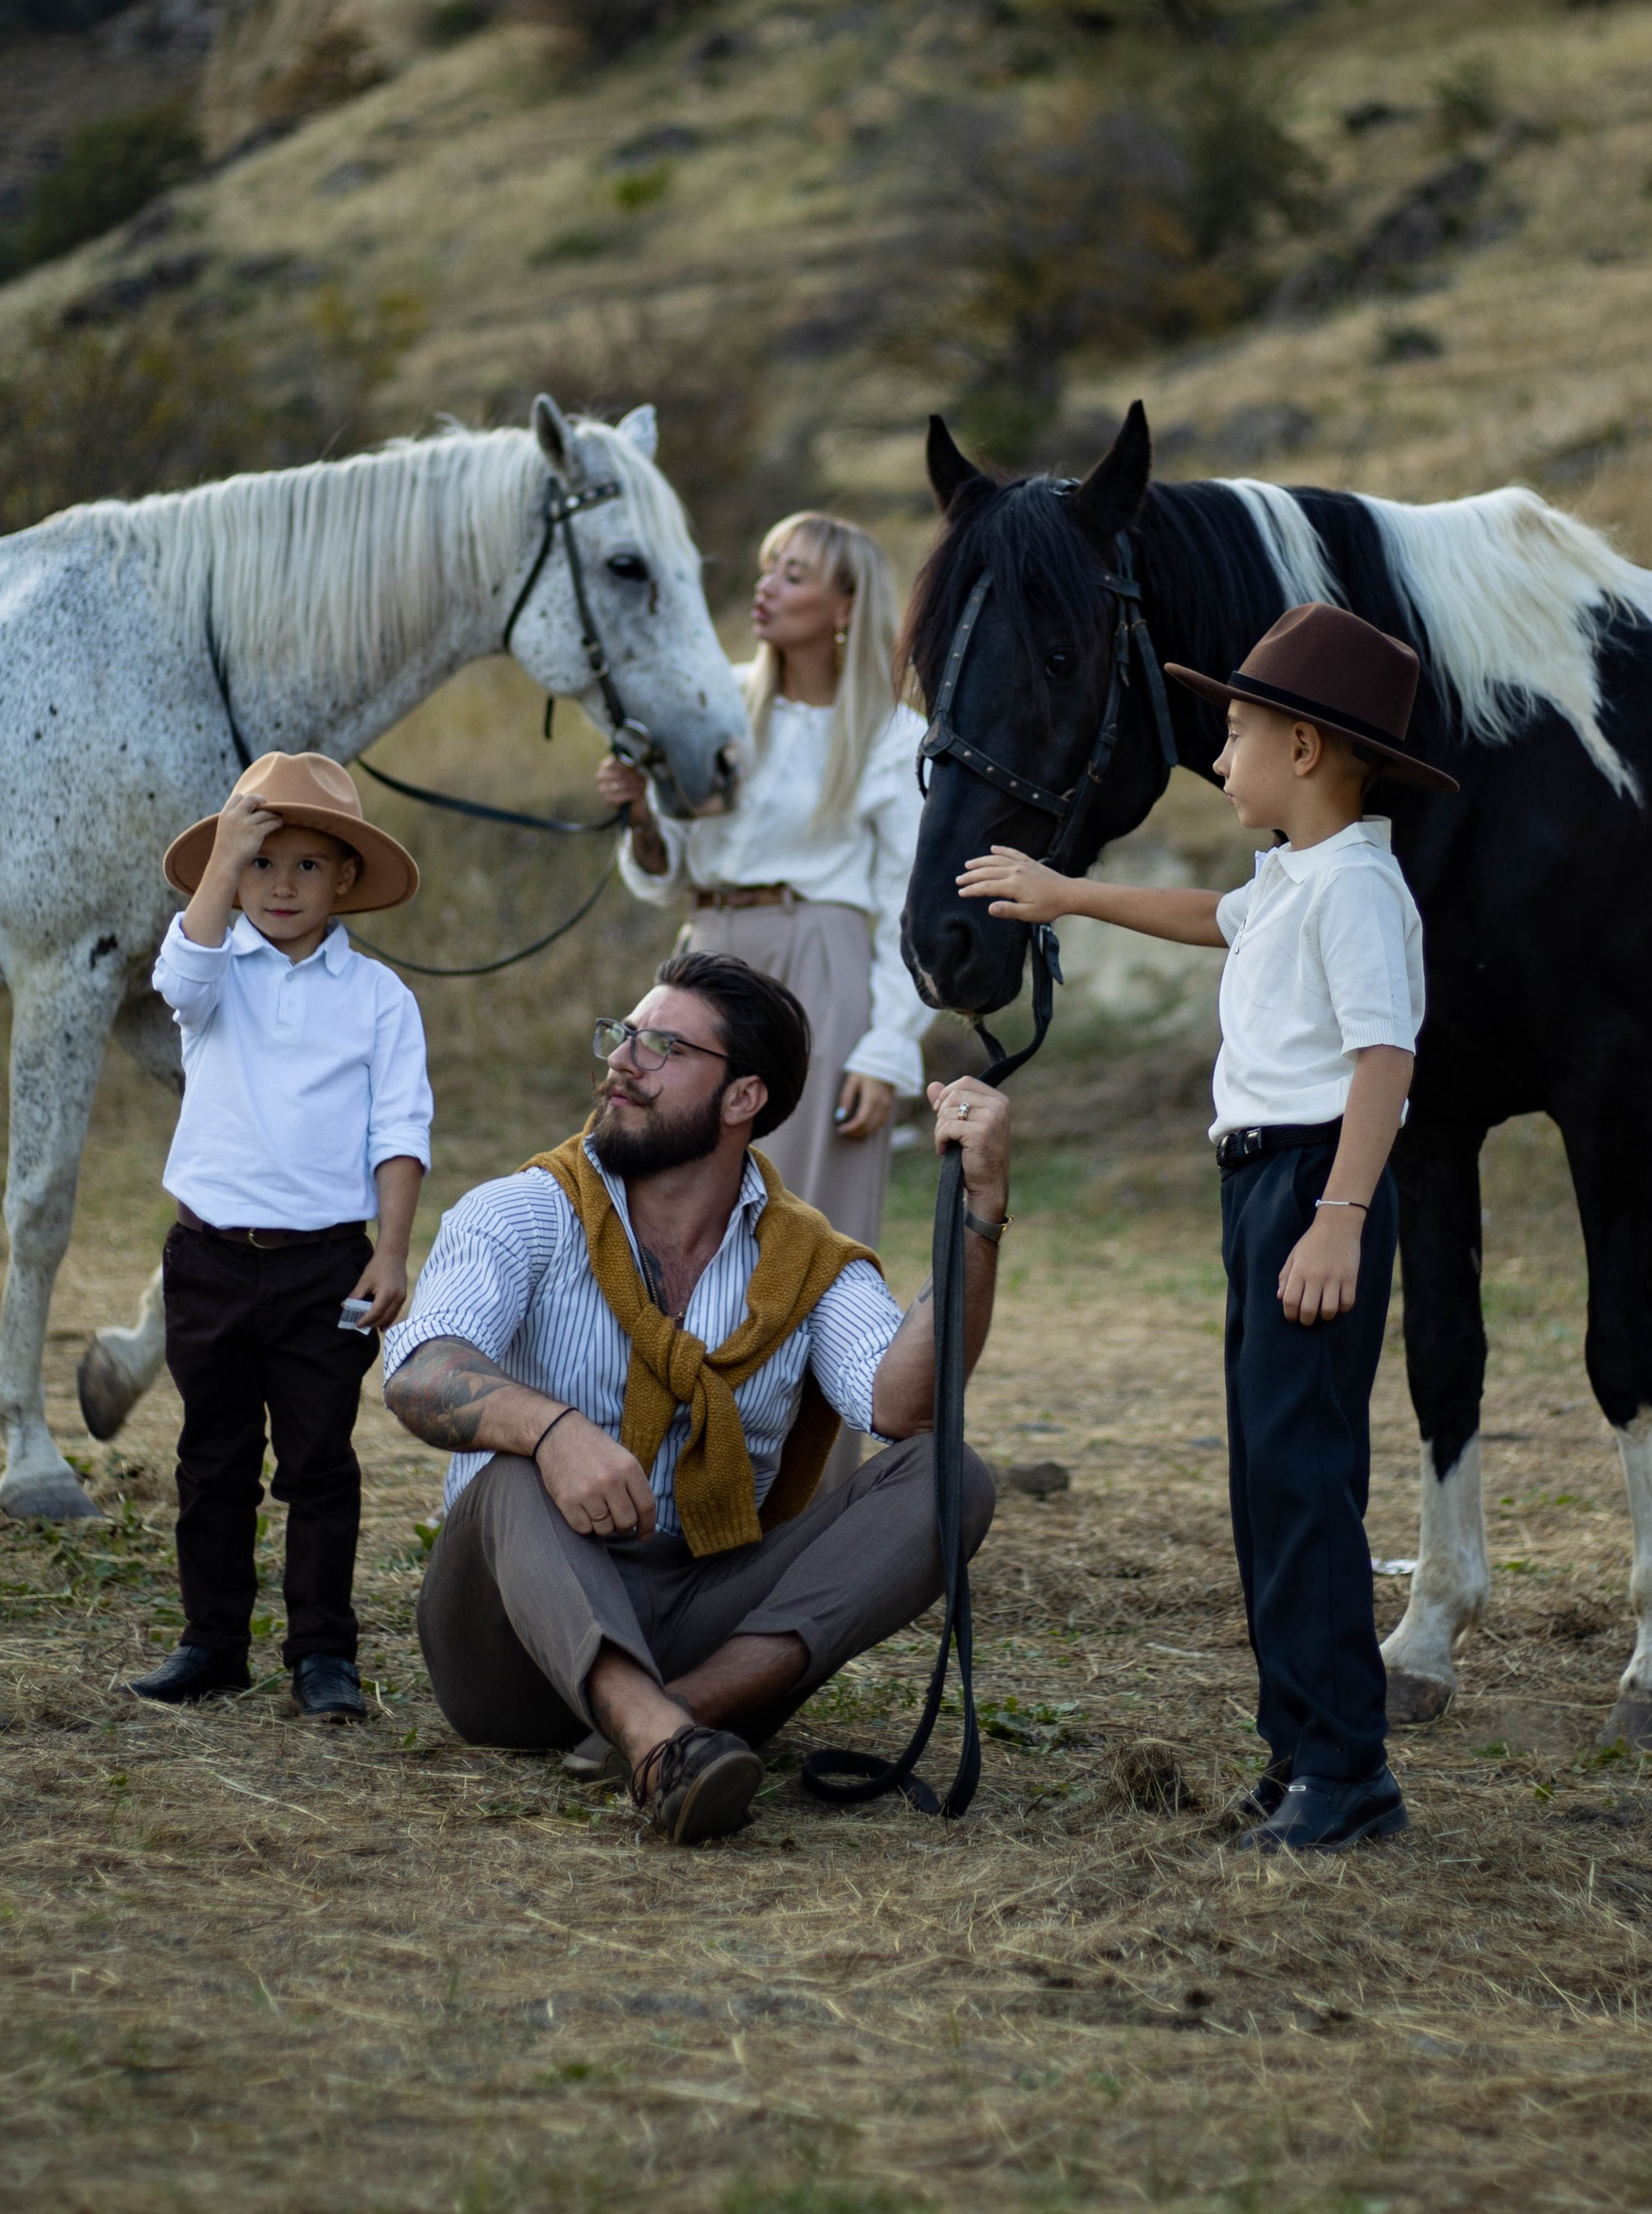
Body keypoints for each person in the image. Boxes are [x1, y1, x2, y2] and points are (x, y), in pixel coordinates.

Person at [957, 603, 1453, 1855]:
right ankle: (1299, 1751)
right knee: (1267, 1478)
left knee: (1305, 1482)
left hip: (1313, 1184)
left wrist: (1338, 1217)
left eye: (1233, 734)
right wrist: (1061, 892)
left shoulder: (1357, 887)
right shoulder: (1294, 875)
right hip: (1262, 1187)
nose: (1218, 757)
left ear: (1304, 747)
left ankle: (1351, 1772)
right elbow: (1206, 917)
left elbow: (1385, 1059)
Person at [381, 948, 1008, 1846]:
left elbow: (905, 1410)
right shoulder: (524, 1210)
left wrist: (978, 1212)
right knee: (516, 1470)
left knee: (952, 1473)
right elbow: (418, 1370)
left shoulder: (803, 1260)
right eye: (625, 1036)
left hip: (699, 1617)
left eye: (662, 1046)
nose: (622, 1061)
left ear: (743, 1097)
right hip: (510, 1641)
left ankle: (667, 1718)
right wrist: (554, 1431)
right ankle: (660, 1740)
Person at [128, 752, 433, 1724]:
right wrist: (223, 854)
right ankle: (212, 1642)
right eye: (262, 864)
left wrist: (389, 1251)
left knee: (318, 1462)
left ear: (345, 878)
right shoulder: (213, 974)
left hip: (324, 1265)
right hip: (212, 1256)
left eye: (307, 865)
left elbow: (399, 1131)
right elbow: (178, 974)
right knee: (213, 1458)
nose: (282, 885)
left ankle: (322, 1653)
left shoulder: (378, 997)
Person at [599, 512, 929, 1264]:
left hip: (823, 957)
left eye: (794, 573)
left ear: (844, 607)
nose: (766, 586)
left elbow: (906, 904)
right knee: (667, 1168)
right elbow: (669, 868)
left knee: (811, 1199)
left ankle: (809, 1374)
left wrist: (885, 1049)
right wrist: (640, 815)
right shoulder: (714, 705)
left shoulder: (890, 736)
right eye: (767, 565)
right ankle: (664, 1359)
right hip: (705, 956)